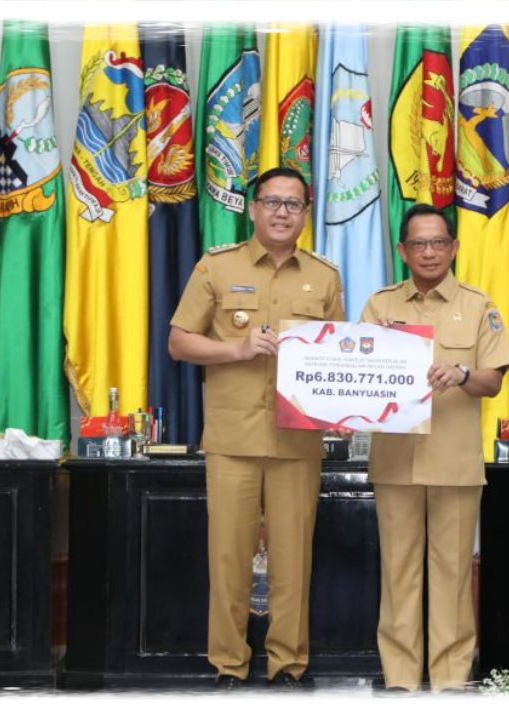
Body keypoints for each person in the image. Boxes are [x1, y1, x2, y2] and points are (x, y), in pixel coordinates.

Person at [168, 167, 345, 689]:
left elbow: (337, 355)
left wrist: (345, 405)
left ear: (306, 213)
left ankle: (288, 665)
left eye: (293, 204)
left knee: (294, 561)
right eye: (272, 202)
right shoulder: (216, 268)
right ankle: (229, 664)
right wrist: (237, 350)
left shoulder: (324, 276)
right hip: (233, 440)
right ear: (253, 209)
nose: (282, 213)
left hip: (298, 440)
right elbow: (179, 342)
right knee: (228, 559)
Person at [360, 204, 509, 692]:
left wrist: (462, 374)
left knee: (450, 579)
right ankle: (401, 682)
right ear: (403, 251)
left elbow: (492, 380)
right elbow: (356, 377)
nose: (429, 252)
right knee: (398, 576)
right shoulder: (380, 306)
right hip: (394, 461)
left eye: (438, 243)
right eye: (419, 244)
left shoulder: (478, 304)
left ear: (454, 248)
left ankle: (450, 682)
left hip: (454, 463)